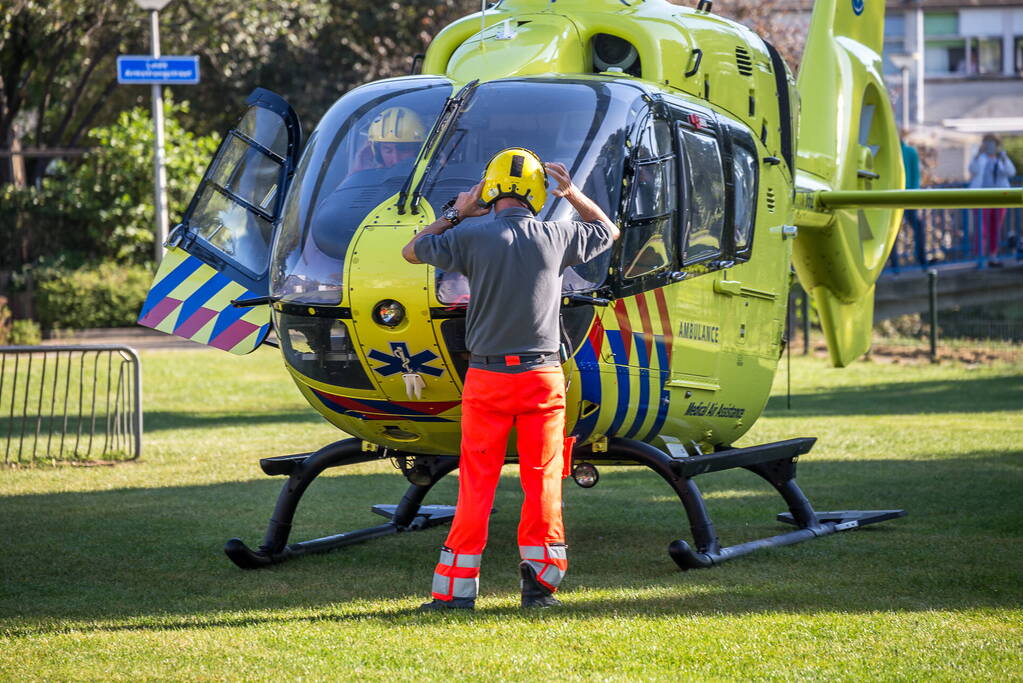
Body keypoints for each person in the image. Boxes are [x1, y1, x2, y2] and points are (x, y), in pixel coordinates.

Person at [402, 148, 620, 610]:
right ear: (539, 193)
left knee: (476, 483)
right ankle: (540, 586)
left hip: (486, 378)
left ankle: (455, 594)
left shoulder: (471, 235)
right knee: (542, 480)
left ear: (491, 189)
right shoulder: (557, 235)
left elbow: (411, 250)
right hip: (542, 377)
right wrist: (574, 193)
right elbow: (609, 231)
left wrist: (457, 212)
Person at [968, 134, 1017, 267]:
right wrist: (978, 155)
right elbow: (973, 170)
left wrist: (1004, 158)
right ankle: (979, 258)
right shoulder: (979, 158)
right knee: (981, 229)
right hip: (981, 198)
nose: (990, 146)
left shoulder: (1001, 159)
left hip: (999, 199)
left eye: (992, 143)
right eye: (987, 143)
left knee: (995, 229)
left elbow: (1011, 172)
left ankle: (992, 256)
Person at [890, 134, 927, 270]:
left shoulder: (910, 152)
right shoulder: (891, 151)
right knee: (892, 232)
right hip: (894, 198)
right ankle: (895, 265)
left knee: (917, 228)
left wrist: (915, 199)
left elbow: (915, 176)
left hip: (909, 197)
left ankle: (922, 261)